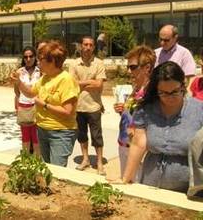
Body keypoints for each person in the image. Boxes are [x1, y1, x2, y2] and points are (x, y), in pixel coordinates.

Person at [121, 61, 203, 193]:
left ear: (183, 86)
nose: (170, 97)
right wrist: (126, 178)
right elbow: (138, 144)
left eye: (175, 92)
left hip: (186, 190)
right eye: (164, 93)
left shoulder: (199, 110)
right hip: (150, 184)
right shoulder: (146, 110)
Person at [12, 40, 80, 167]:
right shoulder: (45, 78)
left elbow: (68, 112)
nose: (38, 61)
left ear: (52, 61)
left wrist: (44, 105)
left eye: (41, 58)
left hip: (60, 133)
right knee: (47, 168)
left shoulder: (66, 80)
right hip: (43, 130)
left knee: (57, 171)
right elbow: (31, 93)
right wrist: (18, 82)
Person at [113, 45, 156, 177]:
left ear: (147, 67)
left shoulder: (152, 92)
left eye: (132, 67)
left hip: (138, 148)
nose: (129, 71)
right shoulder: (136, 87)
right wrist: (123, 110)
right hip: (124, 143)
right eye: (128, 67)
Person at [68, 36, 106, 175]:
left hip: (94, 106)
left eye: (91, 45)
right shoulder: (73, 64)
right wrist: (90, 82)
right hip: (78, 107)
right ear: (81, 46)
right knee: (82, 135)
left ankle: (100, 163)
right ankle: (85, 159)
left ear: (94, 47)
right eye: (85, 44)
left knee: (97, 136)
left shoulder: (99, 63)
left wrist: (81, 83)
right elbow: (71, 84)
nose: (88, 47)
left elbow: (99, 84)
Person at [14, 46, 41, 155]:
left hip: (37, 106)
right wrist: (17, 107)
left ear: (35, 57)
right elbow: (16, 91)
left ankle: (37, 159)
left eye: (31, 56)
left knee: (36, 136)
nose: (28, 59)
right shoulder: (19, 72)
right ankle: (25, 160)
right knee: (25, 136)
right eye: (26, 57)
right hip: (23, 106)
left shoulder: (40, 72)